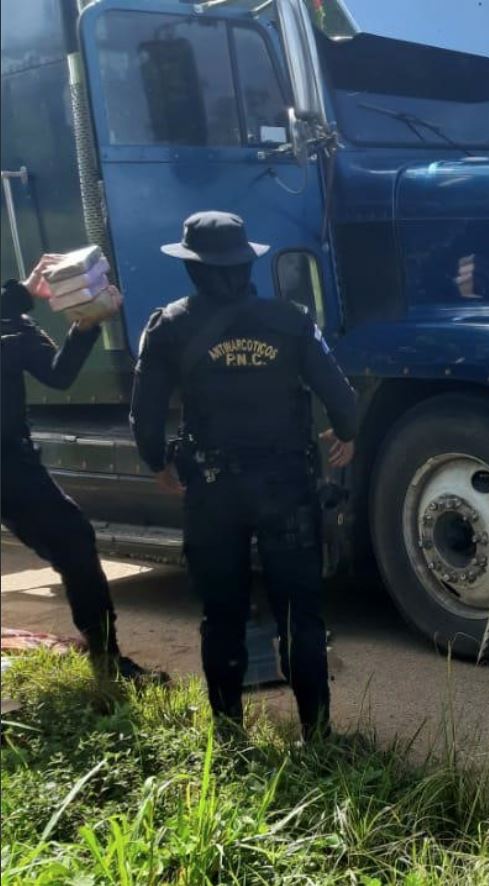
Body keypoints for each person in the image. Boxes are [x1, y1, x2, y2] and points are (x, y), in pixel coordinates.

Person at [129, 212, 358, 739]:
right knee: (300, 614)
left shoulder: (168, 326)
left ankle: (230, 740)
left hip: (212, 490)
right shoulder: (292, 320)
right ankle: (316, 737)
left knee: (222, 612)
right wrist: (345, 431)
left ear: (192, 268)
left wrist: (158, 461)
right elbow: (342, 398)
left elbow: (145, 414)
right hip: (287, 488)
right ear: (246, 261)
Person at [2, 257, 159, 682]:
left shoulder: (12, 319)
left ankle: (106, 659)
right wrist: (16, 298)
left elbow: (59, 375)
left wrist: (86, 325)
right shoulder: (8, 313)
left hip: (9, 464)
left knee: (73, 539)